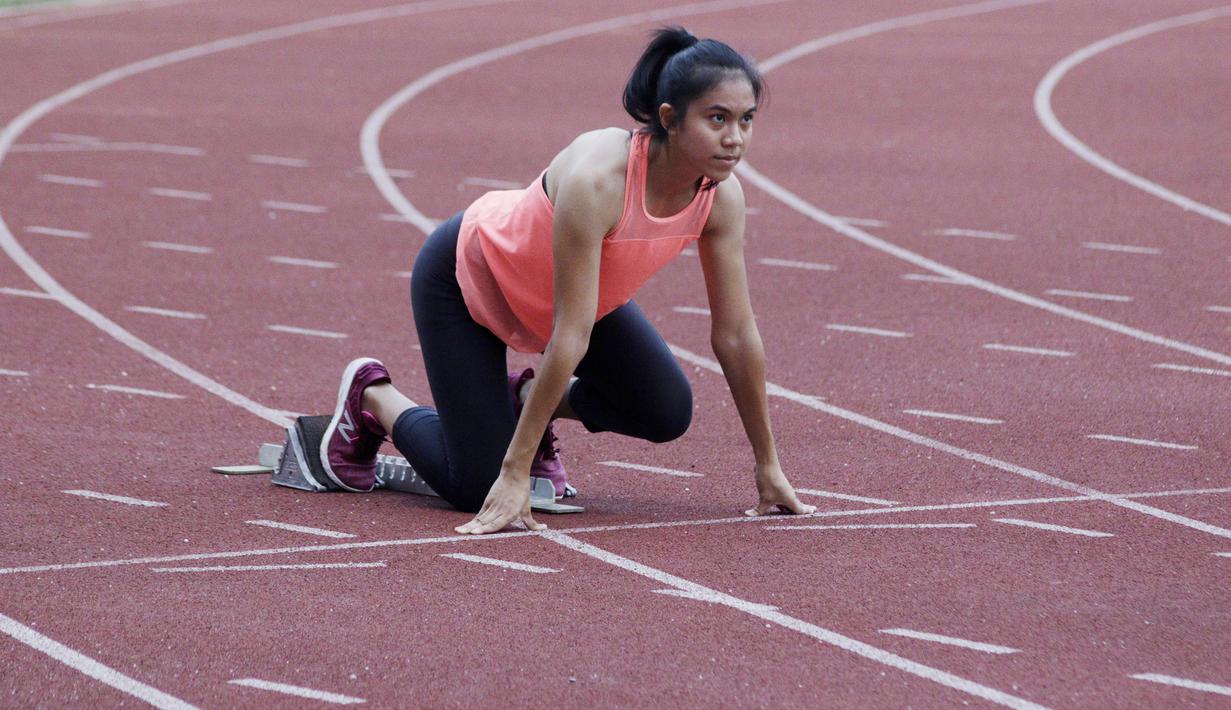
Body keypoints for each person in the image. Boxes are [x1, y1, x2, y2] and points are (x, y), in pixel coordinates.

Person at [310, 26, 816, 535]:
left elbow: (734, 333)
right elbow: (570, 335)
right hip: (470, 279)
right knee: (475, 487)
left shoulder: (720, 199)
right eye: (717, 119)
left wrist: (767, 464)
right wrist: (513, 472)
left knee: (665, 409)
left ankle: (526, 401)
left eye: (746, 119)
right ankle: (373, 398)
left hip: (570, 299)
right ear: (670, 119)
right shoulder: (599, 179)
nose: (735, 138)